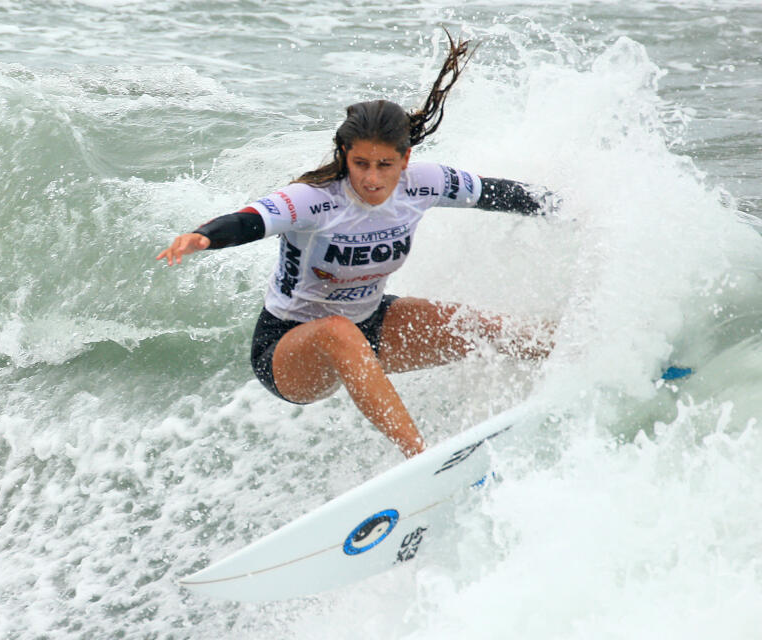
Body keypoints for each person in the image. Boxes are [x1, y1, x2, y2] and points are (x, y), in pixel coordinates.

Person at [157, 33, 556, 458]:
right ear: (345, 154)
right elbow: (252, 220)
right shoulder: (316, 198)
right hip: (289, 348)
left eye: (385, 165)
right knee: (336, 331)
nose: (371, 178)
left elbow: (498, 193)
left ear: (404, 159)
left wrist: (572, 206)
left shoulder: (425, 182)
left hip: (371, 323)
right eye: (361, 164)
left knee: (479, 325)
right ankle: (422, 459)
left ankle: (578, 364)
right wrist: (206, 237)